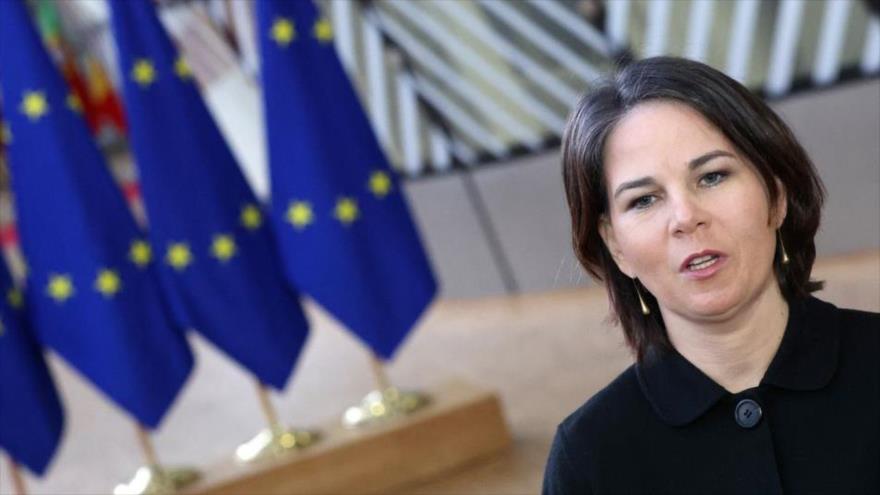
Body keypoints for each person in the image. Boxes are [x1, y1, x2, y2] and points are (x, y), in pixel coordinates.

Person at [543, 57, 879, 494]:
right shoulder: (590, 455)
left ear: (775, 196)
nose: (685, 217)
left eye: (713, 176)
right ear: (615, 246)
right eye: (644, 200)